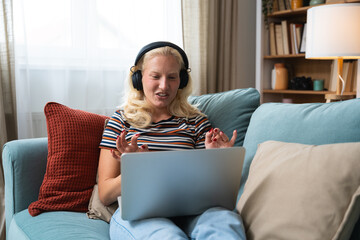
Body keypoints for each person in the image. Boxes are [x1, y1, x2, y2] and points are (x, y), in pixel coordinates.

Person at [98, 41, 246, 240]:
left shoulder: (196, 121)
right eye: (155, 76)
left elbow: (213, 188)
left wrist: (220, 158)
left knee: (224, 224)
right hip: (139, 215)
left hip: (193, 211)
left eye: (172, 77)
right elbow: (105, 194)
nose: (164, 86)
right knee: (167, 236)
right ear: (138, 78)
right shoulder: (121, 121)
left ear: (182, 81)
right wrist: (136, 168)